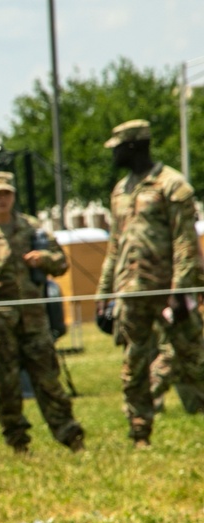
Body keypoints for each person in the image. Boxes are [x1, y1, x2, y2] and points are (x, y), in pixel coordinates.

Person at [95, 119, 204, 449]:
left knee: (194, 359)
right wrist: (103, 293)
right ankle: (140, 433)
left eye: (117, 148)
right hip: (131, 293)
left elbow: (185, 242)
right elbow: (115, 245)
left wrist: (179, 291)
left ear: (133, 147)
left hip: (169, 292)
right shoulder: (120, 191)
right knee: (134, 365)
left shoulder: (171, 185)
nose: (112, 154)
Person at [0, 172, 85, 454]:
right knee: (6, 385)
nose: (2, 199)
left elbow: (61, 263)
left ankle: (71, 436)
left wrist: (45, 259)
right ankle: (18, 442)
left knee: (48, 380)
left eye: (6, 193)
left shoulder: (33, 228)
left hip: (34, 318)